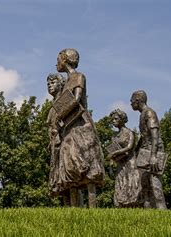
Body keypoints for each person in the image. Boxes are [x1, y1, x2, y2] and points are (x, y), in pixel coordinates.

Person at [55, 48, 104, 208]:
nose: (56, 63)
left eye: (58, 59)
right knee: (70, 167)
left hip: (81, 127)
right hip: (69, 128)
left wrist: (60, 113)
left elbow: (76, 100)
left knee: (88, 167)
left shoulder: (78, 76)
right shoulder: (65, 84)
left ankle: (93, 209)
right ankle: (75, 211)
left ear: (65, 60)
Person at [130, 90, 167, 209]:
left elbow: (155, 135)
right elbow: (144, 136)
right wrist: (135, 151)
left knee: (156, 186)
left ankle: (163, 216)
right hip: (145, 151)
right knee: (144, 186)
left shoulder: (150, 113)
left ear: (137, 101)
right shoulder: (143, 114)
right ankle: (149, 216)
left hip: (153, 151)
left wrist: (154, 156)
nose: (130, 103)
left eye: (131, 101)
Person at [46, 73, 71, 205]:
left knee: (68, 176)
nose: (50, 85)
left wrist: (59, 129)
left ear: (61, 84)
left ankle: (77, 207)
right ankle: (68, 208)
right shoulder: (53, 104)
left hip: (65, 142)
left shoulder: (64, 99)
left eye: (53, 83)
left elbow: (69, 119)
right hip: (55, 143)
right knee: (60, 179)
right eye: (48, 84)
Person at [108, 109, 142, 207]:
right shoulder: (114, 136)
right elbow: (112, 153)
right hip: (120, 164)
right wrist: (110, 166)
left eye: (115, 119)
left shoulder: (130, 132)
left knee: (131, 183)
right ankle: (122, 205)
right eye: (112, 119)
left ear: (122, 119)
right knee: (121, 183)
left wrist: (115, 152)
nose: (113, 121)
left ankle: (134, 205)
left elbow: (129, 147)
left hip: (130, 163)